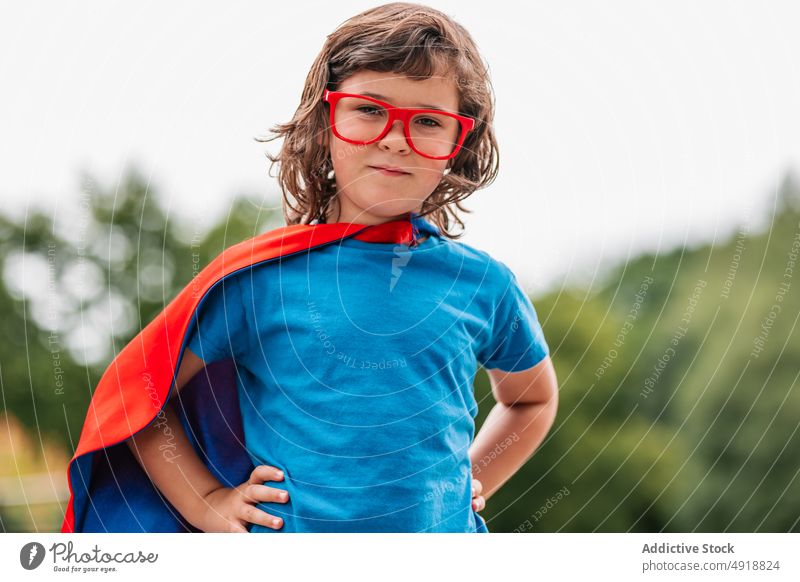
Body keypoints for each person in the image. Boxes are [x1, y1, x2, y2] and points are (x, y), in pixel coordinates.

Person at [61, 2, 558, 534]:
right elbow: (140, 395)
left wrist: (474, 476)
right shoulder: (259, 280)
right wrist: (207, 501)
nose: (395, 137)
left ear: (459, 144)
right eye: (369, 109)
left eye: (429, 121)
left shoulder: (484, 285)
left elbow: (531, 398)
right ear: (326, 122)